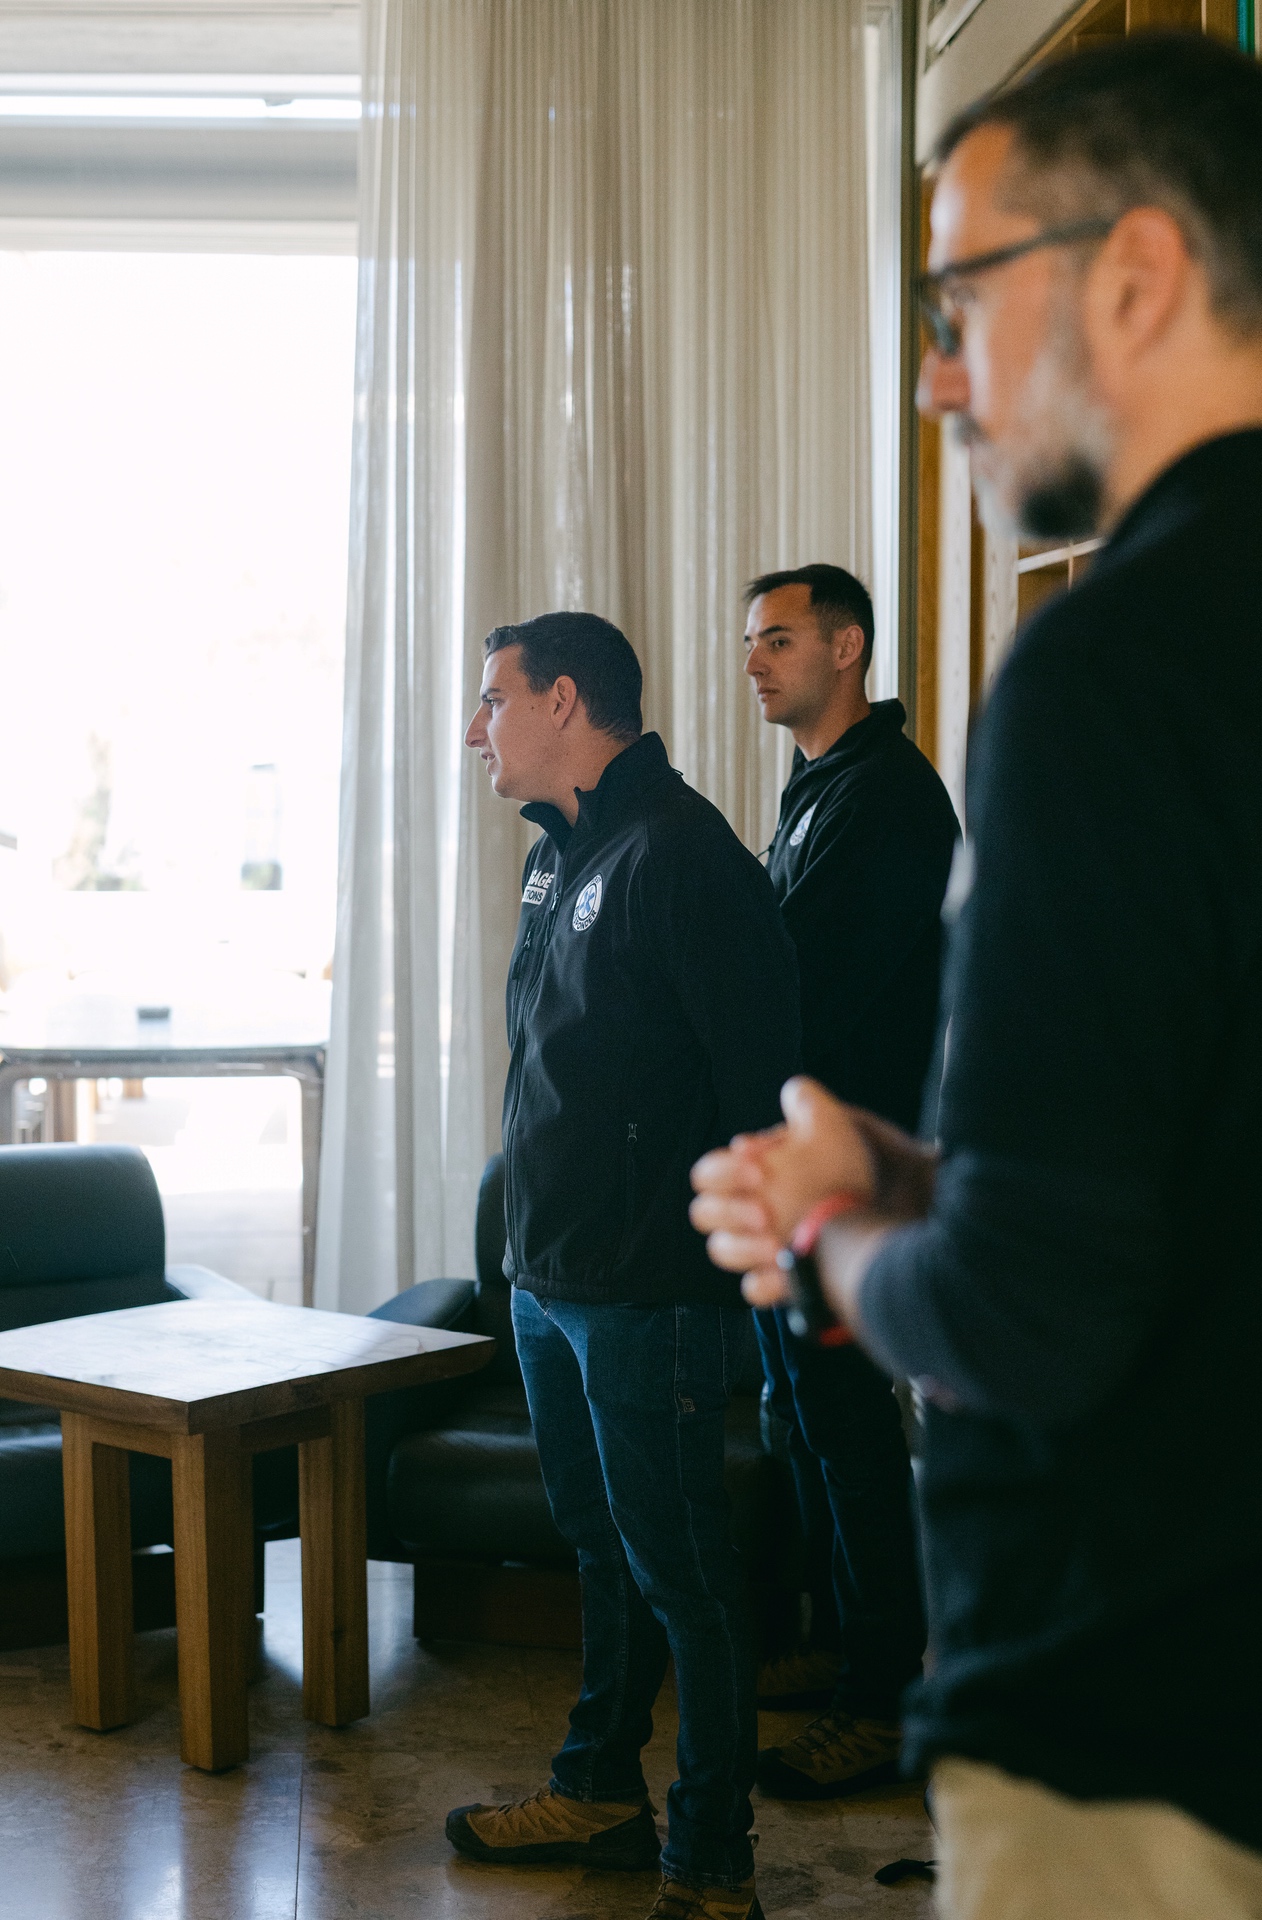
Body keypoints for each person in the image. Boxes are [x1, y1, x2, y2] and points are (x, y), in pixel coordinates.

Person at [691, 33, 1262, 1920]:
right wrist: (942, 1175)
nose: (940, 375)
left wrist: (832, 1228)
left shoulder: (1119, 671)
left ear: (1137, 272)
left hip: (1153, 1714)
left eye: (960, 301)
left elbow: (1029, 1317)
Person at [448, 611, 801, 1920]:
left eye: (494, 699)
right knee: (601, 1550)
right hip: (549, 1278)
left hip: (649, 1291)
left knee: (685, 1576)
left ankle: (711, 1861)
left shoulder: (684, 856)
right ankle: (599, 1786)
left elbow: (762, 1089)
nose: (475, 729)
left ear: (563, 700)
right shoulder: (557, 856)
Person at [741, 563, 957, 1797]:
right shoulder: (819, 785)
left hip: (860, 1175)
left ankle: (879, 1702)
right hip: (807, 1165)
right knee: (806, 1427)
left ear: (847, 647)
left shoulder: (886, 797)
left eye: (778, 640)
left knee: (849, 1436)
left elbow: (799, 975)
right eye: (752, 643)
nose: (754, 662)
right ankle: (836, 1647)